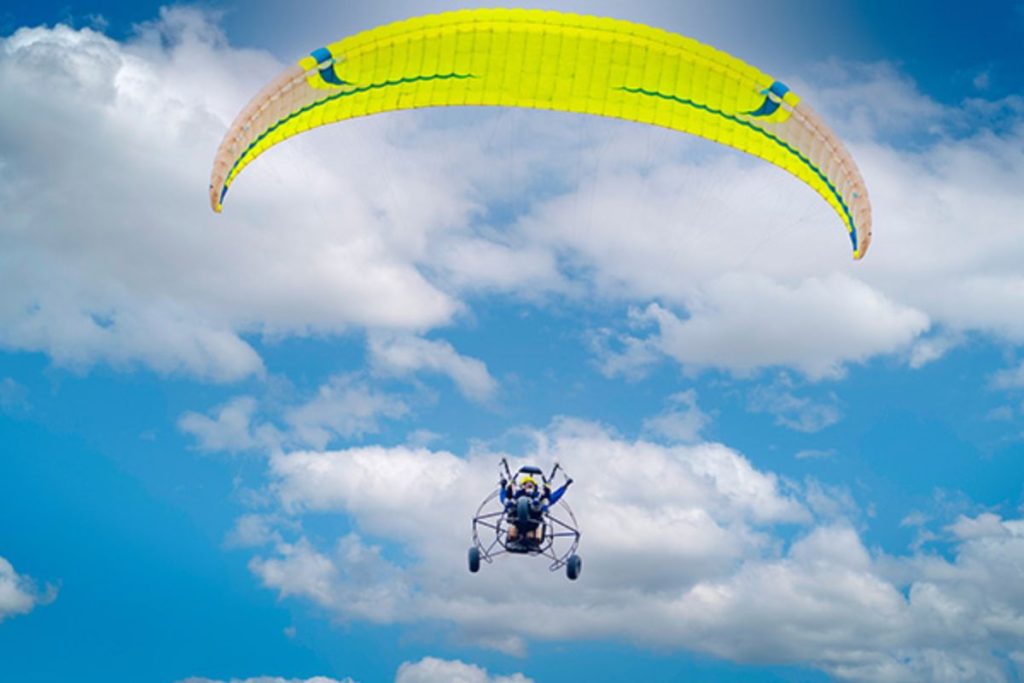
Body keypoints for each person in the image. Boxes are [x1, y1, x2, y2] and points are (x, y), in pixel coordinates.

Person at [499, 472, 572, 546]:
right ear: (522, 486)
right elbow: (503, 498)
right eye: (526, 484)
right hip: (516, 522)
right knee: (510, 504)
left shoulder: (539, 497)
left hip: (533, 524)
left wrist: (564, 487)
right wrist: (503, 487)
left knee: (539, 504)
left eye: (531, 485)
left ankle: (532, 539)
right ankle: (514, 537)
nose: (529, 486)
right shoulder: (517, 495)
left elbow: (554, 497)